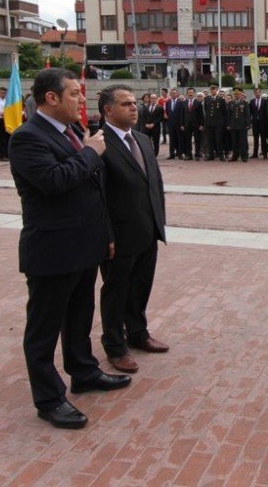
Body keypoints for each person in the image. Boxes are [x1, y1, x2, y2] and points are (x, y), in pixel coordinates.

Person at [8, 68, 130, 430]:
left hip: (85, 244)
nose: (81, 100)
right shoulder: (27, 138)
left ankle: (84, 371)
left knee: (79, 316)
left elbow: (94, 190)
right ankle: (49, 399)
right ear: (51, 98)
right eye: (75, 94)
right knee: (43, 330)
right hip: (52, 249)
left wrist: (105, 233)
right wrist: (92, 152)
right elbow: (54, 181)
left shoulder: (73, 132)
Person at [96, 85, 169, 374]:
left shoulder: (141, 139)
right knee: (116, 291)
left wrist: (158, 223)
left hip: (146, 229)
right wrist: (106, 236)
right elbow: (97, 196)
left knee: (140, 286)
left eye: (134, 102)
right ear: (108, 110)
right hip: (118, 236)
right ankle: (115, 346)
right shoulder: (99, 144)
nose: (133, 107)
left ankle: (138, 333)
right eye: (125, 104)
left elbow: (155, 184)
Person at [202, 85, 226, 160]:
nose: (213, 91)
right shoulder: (207, 98)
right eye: (211, 89)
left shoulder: (221, 99)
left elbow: (224, 112)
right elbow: (206, 110)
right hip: (209, 122)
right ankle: (211, 155)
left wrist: (222, 122)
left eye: (214, 89)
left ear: (217, 90)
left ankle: (221, 155)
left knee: (219, 139)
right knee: (210, 140)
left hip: (218, 123)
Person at [227, 87, 250, 162]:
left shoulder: (244, 103)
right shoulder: (231, 103)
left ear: (241, 94)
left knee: (243, 141)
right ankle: (235, 156)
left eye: (238, 94)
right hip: (233, 125)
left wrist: (248, 124)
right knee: (234, 141)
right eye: (235, 94)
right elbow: (229, 115)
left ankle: (244, 156)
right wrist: (228, 124)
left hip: (242, 125)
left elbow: (247, 114)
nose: (236, 95)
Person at [249, 87, 264, 158]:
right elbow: (250, 112)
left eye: (258, 92)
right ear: (254, 93)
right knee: (256, 139)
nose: (257, 94)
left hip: (263, 123)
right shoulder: (251, 101)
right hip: (255, 123)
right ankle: (255, 153)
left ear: (260, 93)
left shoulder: (265, 101)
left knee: (263, 138)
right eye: (255, 93)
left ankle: (264, 153)